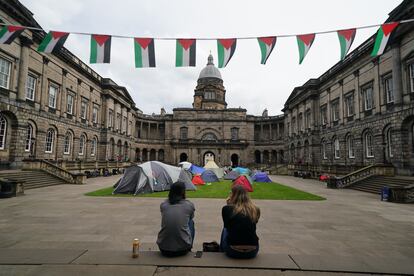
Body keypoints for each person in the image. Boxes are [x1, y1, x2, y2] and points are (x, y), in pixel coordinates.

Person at [220, 185, 260, 259]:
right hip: (252, 251)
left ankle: (221, 251)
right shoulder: (255, 209)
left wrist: (228, 204)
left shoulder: (226, 209)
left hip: (232, 251)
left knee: (225, 229)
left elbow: (227, 225)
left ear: (233, 195)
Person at [157, 181, 195, 257]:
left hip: (163, 249)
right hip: (183, 250)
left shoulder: (164, 205)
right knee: (191, 222)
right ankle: (189, 246)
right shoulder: (189, 205)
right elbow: (190, 217)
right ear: (183, 192)